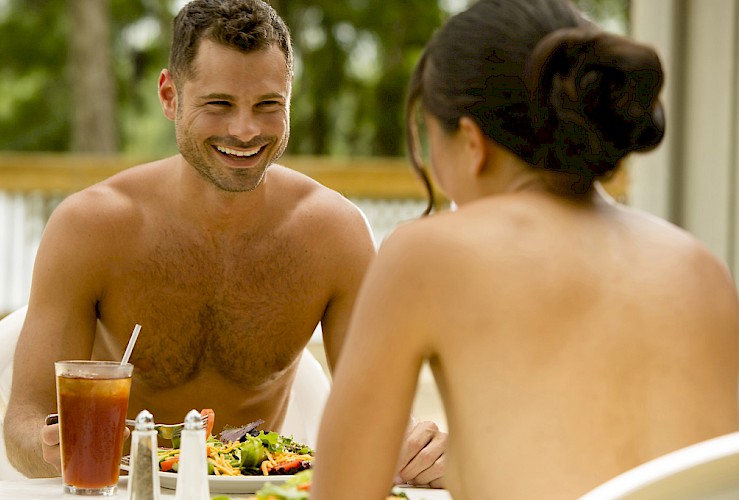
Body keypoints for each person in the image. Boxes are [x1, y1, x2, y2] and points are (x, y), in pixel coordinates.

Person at [2, 0, 447, 484]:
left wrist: (418, 450)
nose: (245, 130)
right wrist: (52, 443)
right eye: (219, 104)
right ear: (170, 96)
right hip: (128, 490)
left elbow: (379, 413)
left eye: (268, 105)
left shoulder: (334, 234)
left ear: (290, 99)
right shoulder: (90, 228)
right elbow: (23, 423)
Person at [310, 0, 739, 498]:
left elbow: (343, 492)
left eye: (431, 142)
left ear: (471, 142)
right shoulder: (696, 265)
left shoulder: (424, 255)